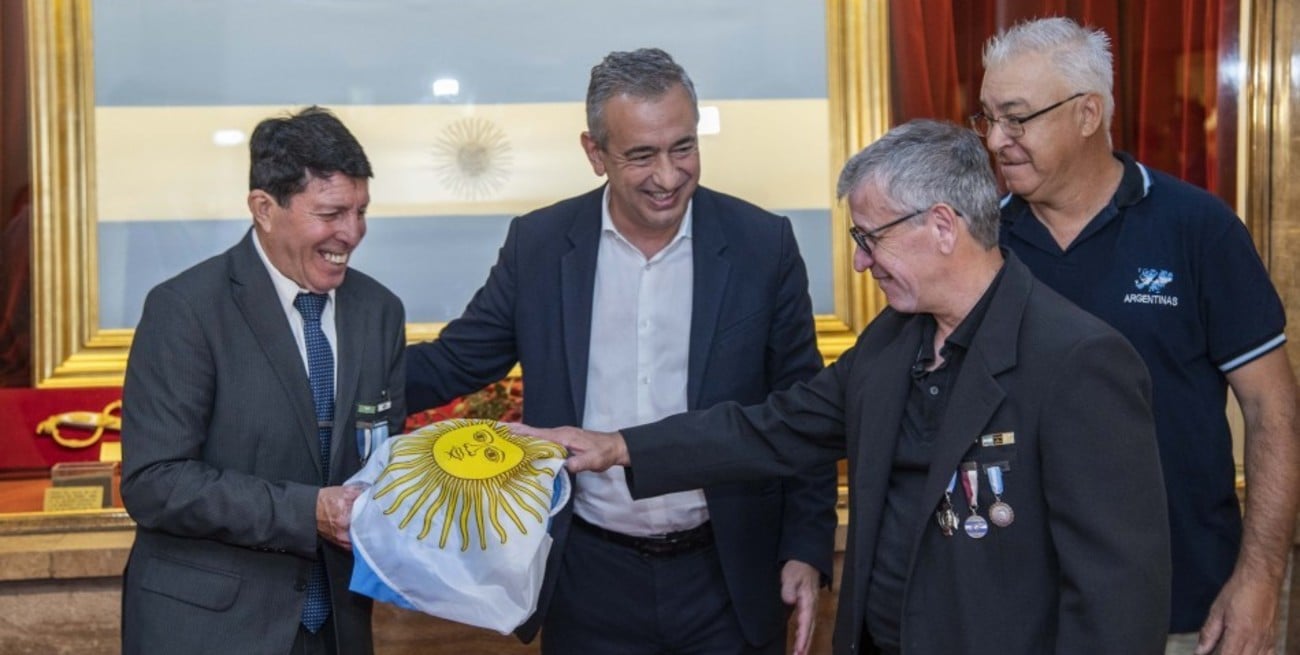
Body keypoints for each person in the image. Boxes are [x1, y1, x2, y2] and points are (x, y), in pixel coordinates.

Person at [523, 119, 1172, 655]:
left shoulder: (1078, 360)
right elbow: (772, 428)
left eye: (870, 237)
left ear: (943, 226)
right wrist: (616, 446)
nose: (861, 260)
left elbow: (1117, 596)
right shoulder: (892, 343)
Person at [404, 48, 837, 655]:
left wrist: (806, 547)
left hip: (728, 572)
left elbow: (803, 408)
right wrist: (332, 381)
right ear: (594, 153)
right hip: (590, 578)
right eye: (641, 155)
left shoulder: (761, 245)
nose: (668, 175)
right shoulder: (542, 246)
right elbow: (456, 362)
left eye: (682, 147)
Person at [974, 17, 1300, 655]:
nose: (995, 140)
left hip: (1188, 610)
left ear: (1088, 113)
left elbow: (1274, 411)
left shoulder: (1197, 228)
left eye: (1016, 118)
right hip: (1021, 617)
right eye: (985, 118)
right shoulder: (982, 245)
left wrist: (1261, 578)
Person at [120, 106, 405, 655]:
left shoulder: (379, 311)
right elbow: (155, 482)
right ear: (264, 209)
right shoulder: (185, 310)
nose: (351, 233)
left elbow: (381, 456)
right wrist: (308, 511)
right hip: (210, 629)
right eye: (331, 212)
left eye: (361, 211)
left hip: (338, 628)